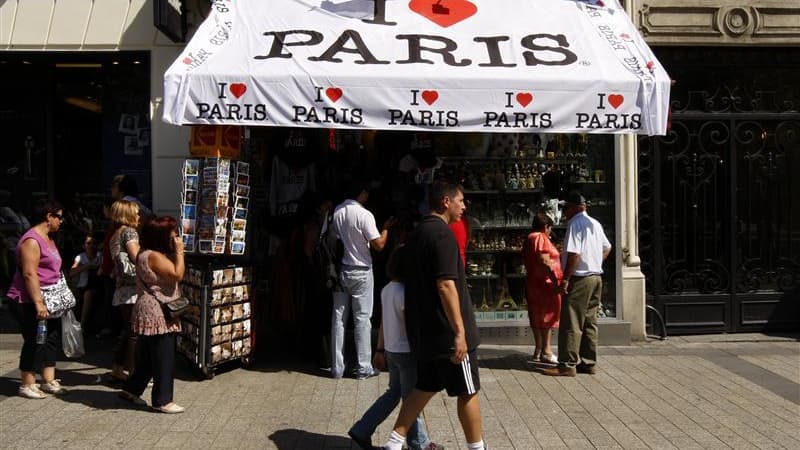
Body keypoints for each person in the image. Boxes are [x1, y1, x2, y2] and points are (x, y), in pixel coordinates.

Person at [383, 180, 485, 450]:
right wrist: (460, 332)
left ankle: (394, 443)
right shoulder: (443, 235)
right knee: (468, 391)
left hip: (425, 333)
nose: (464, 206)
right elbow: (445, 284)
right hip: (447, 334)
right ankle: (478, 447)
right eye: (460, 201)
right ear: (445, 202)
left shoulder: (415, 235)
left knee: (424, 387)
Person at [348, 246, 443, 450]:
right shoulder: (407, 293)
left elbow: (384, 322)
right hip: (407, 352)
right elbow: (412, 327)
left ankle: (363, 428)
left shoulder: (387, 289)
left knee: (394, 393)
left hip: (391, 350)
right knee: (411, 400)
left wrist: (380, 349)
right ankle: (419, 442)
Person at [119, 216, 185, 413]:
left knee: (148, 356)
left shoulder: (144, 253)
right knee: (164, 356)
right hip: (158, 311)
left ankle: (132, 389)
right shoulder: (153, 256)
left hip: (148, 308)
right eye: (173, 233)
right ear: (161, 236)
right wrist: (180, 252)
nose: (176, 237)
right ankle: (163, 400)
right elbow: (176, 274)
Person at [330, 179, 395, 379]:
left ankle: (337, 368)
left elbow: (333, 240)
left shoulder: (337, 213)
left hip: (342, 270)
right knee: (362, 319)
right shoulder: (364, 215)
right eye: (366, 192)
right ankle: (363, 366)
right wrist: (386, 229)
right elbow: (379, 245)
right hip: (361, 271)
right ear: (361, 193)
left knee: (338, 319)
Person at [543, 192, 611, 377]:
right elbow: (607, 247)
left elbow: (574, 254)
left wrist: (566, 279)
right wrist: (595, 262)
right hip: (595, 276)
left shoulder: (575, 224)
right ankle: (588, 362)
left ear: (575, 207)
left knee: (571, 321)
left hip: (581, 278)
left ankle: (567, 364)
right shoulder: (595, 224)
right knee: (590, 321)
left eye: (566, 208)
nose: (564, 212)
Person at [5, 199, 66, 398]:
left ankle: (48, 379)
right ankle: (27, 383)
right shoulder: (31, 240)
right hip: (28, 300)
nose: (61, 221)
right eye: (59, 216)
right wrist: (39, 303)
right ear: (49, 216)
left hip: (51, 298)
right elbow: (29, 274)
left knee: (50, 338)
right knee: (34, 339)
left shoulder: (49, 238)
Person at [521, 212, 562, 364]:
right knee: (547, 317)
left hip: (533, 283)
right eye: (550, 228)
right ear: (546, 227)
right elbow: (544, 260)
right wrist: (556, 280)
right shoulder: (540, 237)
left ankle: (538, 350)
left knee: (536, 316)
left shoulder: (529, 238)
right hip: (545, 284)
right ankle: (547, 350)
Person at [108, 200, 140, 381]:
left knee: (128, 331)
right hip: (132, 290)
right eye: (135, 212)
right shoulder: (129, 232)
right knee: (135, 334)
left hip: (122, 290)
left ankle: (118, 369)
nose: (138, 216)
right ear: (127, 214)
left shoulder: (115, 235)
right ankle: (132, 372)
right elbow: (136, 257)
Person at [69, 234, 103, 332]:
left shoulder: (99, 256)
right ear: (84, 245)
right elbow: (72, 272)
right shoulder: (80, 257)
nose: (91, 246)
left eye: (93, 243)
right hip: (83, 286)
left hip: (97, 286)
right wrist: (87, 266)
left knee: (89, 294)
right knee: (86, 294)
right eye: (88, 243)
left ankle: (82, 326)